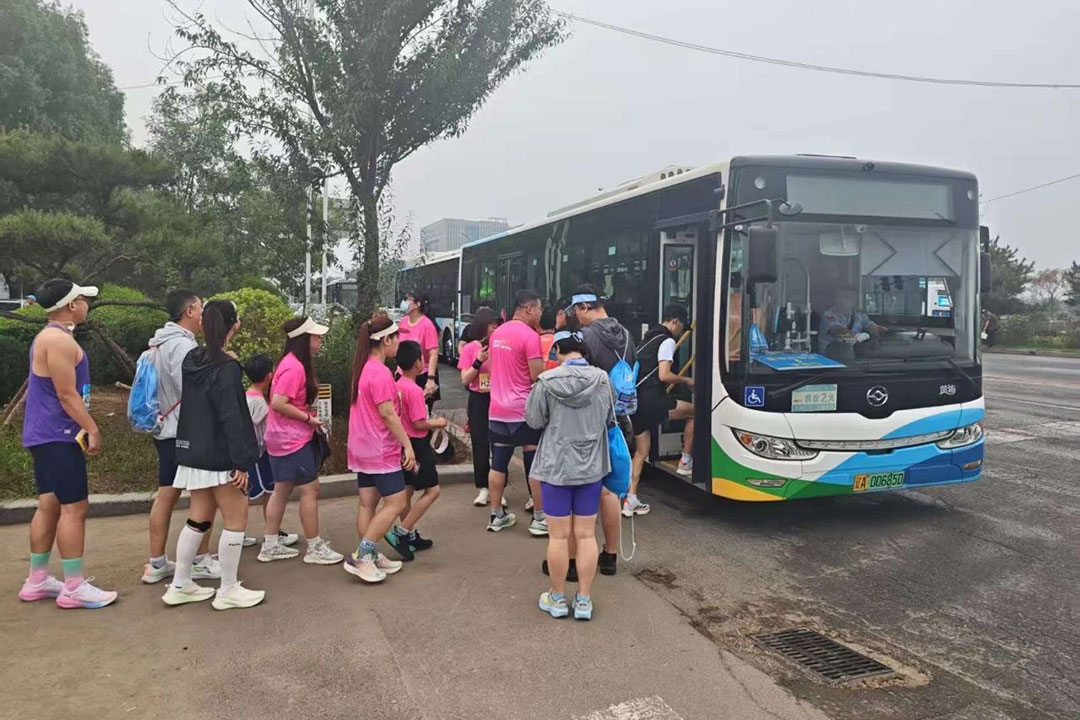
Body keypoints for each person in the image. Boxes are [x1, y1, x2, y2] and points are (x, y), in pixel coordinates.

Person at [18, 279, 117, 609]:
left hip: (46, 435)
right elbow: (66, 393)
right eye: (83, 299)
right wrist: (91, 427)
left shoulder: (50, 337)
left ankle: (37, 579)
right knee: (75, 507)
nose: (87, 304)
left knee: (49, 504)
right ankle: (73, 586)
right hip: (57, 435)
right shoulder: (58, 340)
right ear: (72, 305)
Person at [162, 299, 264, 610]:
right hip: (220, 455)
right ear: (235, 326)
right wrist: (242, 462)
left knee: (198, 518)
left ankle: (180, 584)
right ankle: (228, 589)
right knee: (236, 519)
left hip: (193, 451)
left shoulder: (193, 359)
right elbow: (233, 417)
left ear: (203, 323)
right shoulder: (227, 368)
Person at [526, 331, 614, 621]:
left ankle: (557, 598)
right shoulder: (602, 380)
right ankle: (584, 600)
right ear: (584, 352)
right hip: (591, 467)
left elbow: (534, 420)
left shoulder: (546, 382)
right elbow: (609, 418)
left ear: (558, 351)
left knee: (559, 536)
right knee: (587, 535)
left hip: (556, 467)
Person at [142, 289, 219, 585]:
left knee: (166, 494)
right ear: (189, 311)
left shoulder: (158, 343)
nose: (202, 314)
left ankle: (157, 562)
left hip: (162, 427)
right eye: (200, 308)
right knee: (205, 494)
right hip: (184, 431)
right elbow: (192, 389)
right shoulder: (183, 346)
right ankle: (200, 559)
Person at [259, 316, 343, 565]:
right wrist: (307, 418)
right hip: (292, 440)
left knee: (282, 488)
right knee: (310, 489)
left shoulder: (289, 363)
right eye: (316, 337)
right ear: (304, 340)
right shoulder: (295, 368)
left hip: (281, 438)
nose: (320, 341)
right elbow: (278, 402)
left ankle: (270, 544)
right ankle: (314, 546)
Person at [568, 284, 632, 575]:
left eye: (576, 311)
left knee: (581, 489)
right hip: (619, 420)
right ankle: (610, 556)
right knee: (610, 492)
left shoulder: (584, 337)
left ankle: (576, 558)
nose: (576, 317)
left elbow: (577, 382)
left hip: (588, 423)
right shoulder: (626, 334)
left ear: (583, 307)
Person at [343, 313, 413, 583]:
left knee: (367, 503)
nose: (399, 343)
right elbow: (388, 414)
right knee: (396, 502)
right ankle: (362, 555)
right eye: (396, 338)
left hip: (362, 447)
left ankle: (369, 556)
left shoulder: (363, 368)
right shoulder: (381, 372)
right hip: (380, 449)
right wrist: (407, 445)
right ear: (386, 340)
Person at [486, 289, 546, 535]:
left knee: (498, 465)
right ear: (529, 309)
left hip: (497, 410)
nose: (541, 313)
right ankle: (540, 518)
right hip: (523, 412)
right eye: (539, 309)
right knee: (534, 464)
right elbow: (536, 375)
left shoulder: (496, 334)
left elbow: (493, 369)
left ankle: (496, 515)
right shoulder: (530, 336)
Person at [629, 305, 696, 514]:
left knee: (641, 452)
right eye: (682, 327)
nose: (681, 332)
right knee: (696, 412)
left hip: (636, 402)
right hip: (654, 400)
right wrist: (686, 380)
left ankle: (630, 500)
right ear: (675, 321)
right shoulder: (667, 341)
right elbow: (664, 375)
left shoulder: (647, 338)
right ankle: (685, 461)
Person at [384, 340, 445, 561]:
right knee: (433, 490)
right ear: (418, 363)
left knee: (407, 490)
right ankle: (402, 532)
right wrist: (438, 423)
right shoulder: (414, 389)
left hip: (401, 443)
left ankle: (409, 534)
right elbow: (419, 423)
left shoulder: (398, 385)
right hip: (417, 445)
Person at [239, 355, 299, 549]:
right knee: (268, 493)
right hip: (259, 455)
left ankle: (241, 532)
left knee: (250, 493)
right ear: (269, 376)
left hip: (248, 454)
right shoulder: (259, 404)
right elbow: (262, 431)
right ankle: (271, 533)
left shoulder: (245, 397)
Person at [458, 312, 504, 507]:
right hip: (478, 399)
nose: (495, 329)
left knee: (499, 444)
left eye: (498, 325)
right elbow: (465, 379)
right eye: (492, 325)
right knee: (480, 444)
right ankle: (483, 487)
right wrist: (478, 361)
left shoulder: (501, 346)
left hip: (498, 398)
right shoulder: (470, 348)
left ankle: (499, 489)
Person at [398, 290, 440, 408]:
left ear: (417, 304)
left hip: (421, 375)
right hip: (403, 374)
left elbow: (433, 353)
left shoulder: (427, 325)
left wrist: (430, 379)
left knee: (420, 411)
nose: (404, 302)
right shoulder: (403, 322)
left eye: (408, 299)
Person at [820, 285, 886, 357]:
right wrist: (856, 336)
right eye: (847, 296)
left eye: (853, 297)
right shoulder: (829, 314)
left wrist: (882, 330)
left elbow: (870, 326)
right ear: (837, 298)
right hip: (830, 357)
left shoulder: (859, 315)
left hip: (853, 355)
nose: (851, 299)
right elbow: (836, 330)